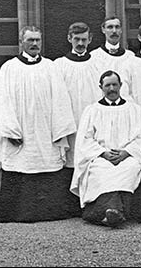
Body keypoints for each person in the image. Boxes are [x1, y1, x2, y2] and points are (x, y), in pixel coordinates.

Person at [0, 26, 78, 223]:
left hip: (45, 130)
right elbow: (3, 100)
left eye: (37, 40)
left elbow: (60, 100)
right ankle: (17, 213)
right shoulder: (9, 68)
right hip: (20, 130)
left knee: (46, 163)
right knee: (20, 164)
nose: (35, 44)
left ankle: (48, 213)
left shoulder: (50, 67)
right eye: (30, 40)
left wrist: (59, 130)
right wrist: (10, 130)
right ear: (21, 42)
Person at [71, 70, 141, 227]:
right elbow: (85, 139)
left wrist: (126, 152)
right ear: (101, 87)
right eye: (107, 85)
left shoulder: (134, 110)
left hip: (127, 156)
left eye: (115, 85)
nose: (112, 89)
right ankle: (114, 211)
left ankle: (102, 213)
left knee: (130, 168)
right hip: (101, 157)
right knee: (100, 171)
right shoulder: (92, 110)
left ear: (121, 86)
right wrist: (102, 153)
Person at [53, 22, 102, 174]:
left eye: (84, 39)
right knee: (71, 162)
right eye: (76, 39)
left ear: (90, 39)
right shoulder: (59, 65)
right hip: (70, 121)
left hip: (92, 121)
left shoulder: (98, 64)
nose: (80, 43)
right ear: (69, 39)